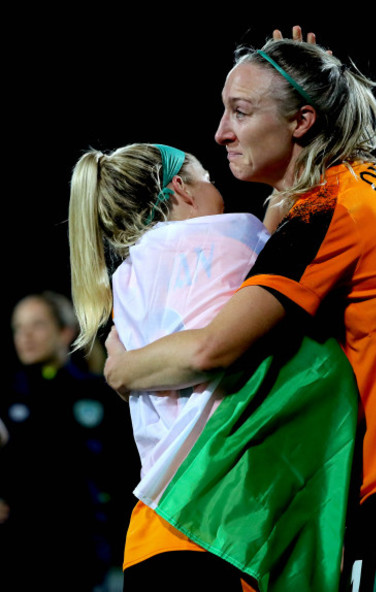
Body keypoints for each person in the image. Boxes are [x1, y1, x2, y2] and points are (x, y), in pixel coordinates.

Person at [103, 30, 376, 592]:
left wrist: (120, 366)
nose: (221, 132)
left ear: (301, 122)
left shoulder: (327, 212)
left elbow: (211, 347)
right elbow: (286, 229)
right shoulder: (375, 186)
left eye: (241, 112)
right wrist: (296, 75)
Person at [68, 142, 359, 592]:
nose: (216, 185)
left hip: (152, 530)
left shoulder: (123, 283)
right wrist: (277, 222)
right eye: (206, 177)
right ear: (181, 188)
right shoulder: (236, 236)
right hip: (222, 521)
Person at [0, 291, 138, 591]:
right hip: (18, 549)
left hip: (84, 549)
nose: (25, 336)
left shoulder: (99, 392)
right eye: (18, 328)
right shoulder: (7, 393)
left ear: (65, 332)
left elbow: (125, 469)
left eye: (36, 325)